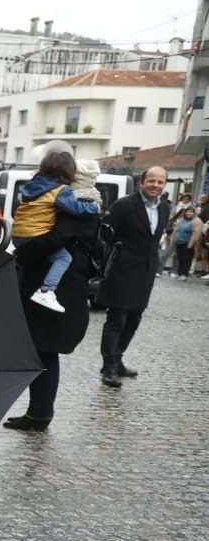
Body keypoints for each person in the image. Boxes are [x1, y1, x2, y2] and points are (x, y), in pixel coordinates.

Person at [3, 204, 104, 432]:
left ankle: (40, 414)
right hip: (60, 292)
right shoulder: (84, 210)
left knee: (44, 352)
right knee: (42, 352)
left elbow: (51, 241)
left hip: (59, 294)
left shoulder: (77, 212)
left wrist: (22, 250)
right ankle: (38, 412)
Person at [97, 166, 169, 388]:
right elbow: (104, 233)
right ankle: (108, 367)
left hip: (145, 273)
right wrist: (113, 258)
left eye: (160, 182)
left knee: (134, 319)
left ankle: (117, 358)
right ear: (142, 182)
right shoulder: (125, 205)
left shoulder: (165, 208)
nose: (155, 185)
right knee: (116, 320)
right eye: (152, 181)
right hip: (122, 271)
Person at [10, 151, 100, 313]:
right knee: (64, 258)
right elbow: (76, 208)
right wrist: (92, 208)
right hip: (35, 235)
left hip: (18, 235)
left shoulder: (33, 185)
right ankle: (46, 291)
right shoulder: (60, 191)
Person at [170, 205, 201, 280]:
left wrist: (190, 244)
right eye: (187, 211)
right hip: (179, 242)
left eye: (191, 212)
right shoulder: (182, 220)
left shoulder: (196, 221)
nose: (189, 213)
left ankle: (184, 274)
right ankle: (179, 273)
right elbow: (175, 230)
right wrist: (173, 240)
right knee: (180, 258)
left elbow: (196, 233)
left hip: (188, 243)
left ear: (194, 213)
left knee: (186, 260)